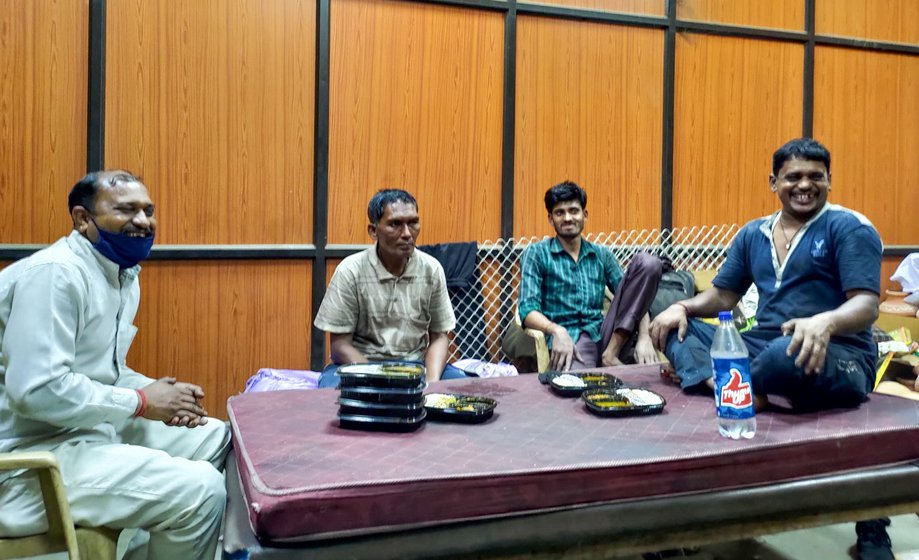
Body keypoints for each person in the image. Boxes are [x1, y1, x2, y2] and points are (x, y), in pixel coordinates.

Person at [649, 138, 892, 560]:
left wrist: (825, 321)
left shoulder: (850, 227)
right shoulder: (752, 234)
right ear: (773, 181)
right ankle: (741, 387)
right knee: (676, 329)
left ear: (829, 181)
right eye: (794, 176)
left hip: (840, 353)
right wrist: (682, 306)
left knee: (783, 355)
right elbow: (723, 297)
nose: (805, 185)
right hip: (765, 342)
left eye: (816, 177)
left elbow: (867, 304)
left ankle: (728, 385)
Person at [0, 171, 231, 560]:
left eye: (148, 210)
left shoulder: (120, 275)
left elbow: (103, 371)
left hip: (84, 428)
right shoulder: (56, 274)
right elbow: (36, 390)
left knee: (218, 437)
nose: (142, 221)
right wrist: (141, 401)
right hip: (26, 460)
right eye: (126, 210)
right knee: (203, 491)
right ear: (82, 219)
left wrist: (165, 395)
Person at [315, 189, 466, 387]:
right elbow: (339, 346)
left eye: (413, 223)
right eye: (395, 224)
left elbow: (439, 337)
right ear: (373, 231)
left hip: (414, 367)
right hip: (362, 367)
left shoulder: (431, 269)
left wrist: (432, 384)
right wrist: (379, 379)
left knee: (467, 387)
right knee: (330, 395)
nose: (406, 234)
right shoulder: (350, 271)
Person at [515, 181, 662, 371]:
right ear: (551, 219)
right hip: (570, 339)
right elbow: (527, 310)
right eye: (560, 213)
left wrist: (644, 336)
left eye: (574, 211)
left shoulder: (601, 254)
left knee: (648, 263)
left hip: (606, 333)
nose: (568, 218)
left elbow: (633, 296)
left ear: (585, 215)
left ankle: (611, 353)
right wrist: (556, 331)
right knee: (578, 387)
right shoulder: (537, 253)